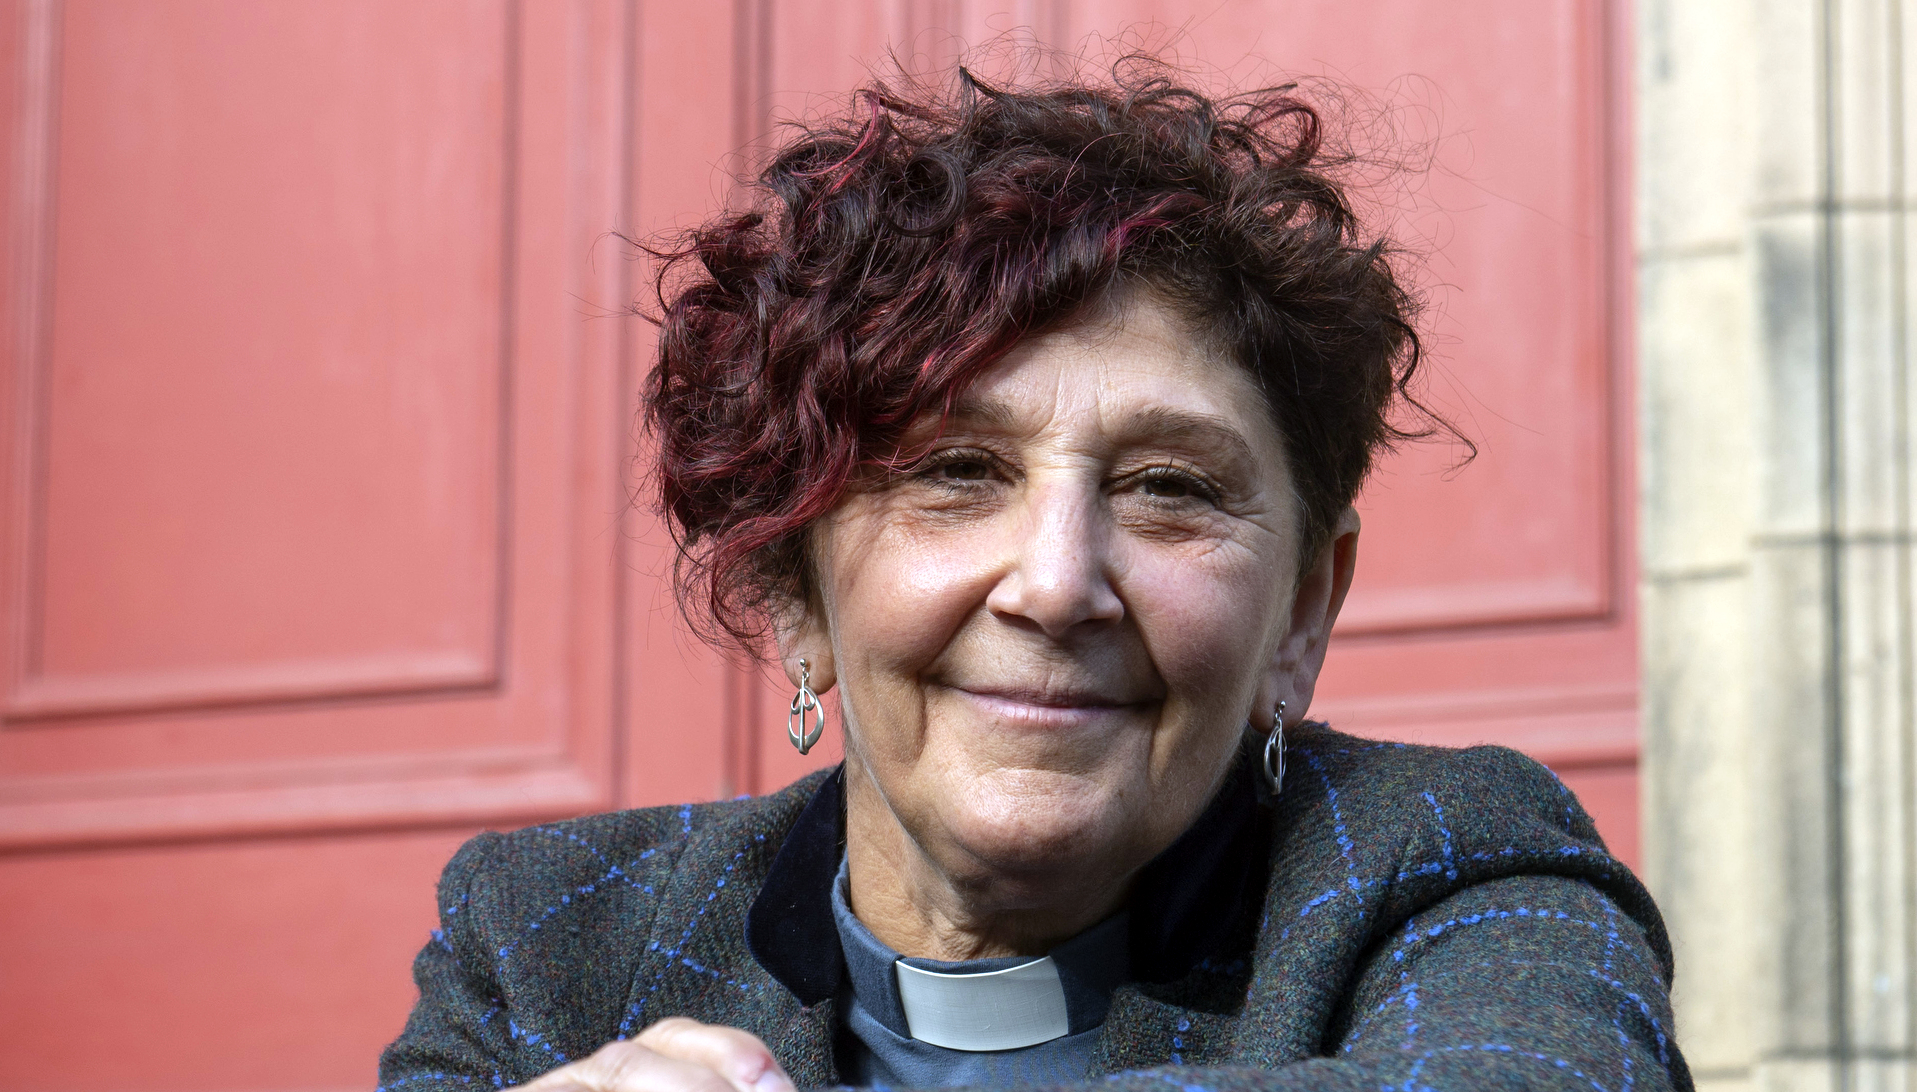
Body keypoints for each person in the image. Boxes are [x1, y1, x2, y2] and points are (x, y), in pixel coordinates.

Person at [379, 60, 1689, 1092]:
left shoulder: (1447, 865)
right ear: (793, 590)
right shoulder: (544, 936)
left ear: (1300, 609)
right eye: (952, 473)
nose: (1057, 586)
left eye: (1170, 489)